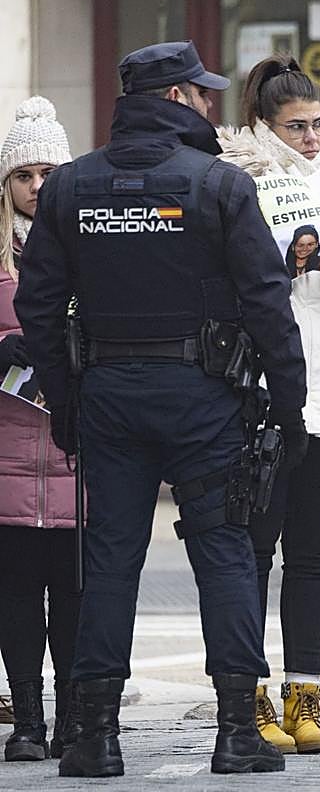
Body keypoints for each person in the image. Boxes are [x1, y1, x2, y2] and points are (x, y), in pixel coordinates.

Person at [14, 40, 308, 777]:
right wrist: (293, 407)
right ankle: (238, 730)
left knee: (109, 560)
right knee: (224, 554)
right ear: (176, 98)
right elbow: (270, 305)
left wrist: (68, 394)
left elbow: (39, 305)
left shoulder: (69, 187)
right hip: (203, 398)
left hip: (110, 395)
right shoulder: (217, 185)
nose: (211, 104)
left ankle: (93, 736)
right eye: (202, 93)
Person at [218, 54, 320, 756]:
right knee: (253, 552)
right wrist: (277, 270)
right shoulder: (238, 184)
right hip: (259, 395)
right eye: (298, 127)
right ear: (264, 126)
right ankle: (247, 694)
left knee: (312, 556)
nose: (313, 138)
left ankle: (304, 693)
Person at [0, 96, 78, 763]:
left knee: (75, 598)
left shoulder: (90, 247)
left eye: (50, 173)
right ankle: (26, 720)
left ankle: (75, 718)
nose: (36, 187)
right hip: (7, 457)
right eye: (25, 175)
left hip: (75, 456)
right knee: (18, 598)